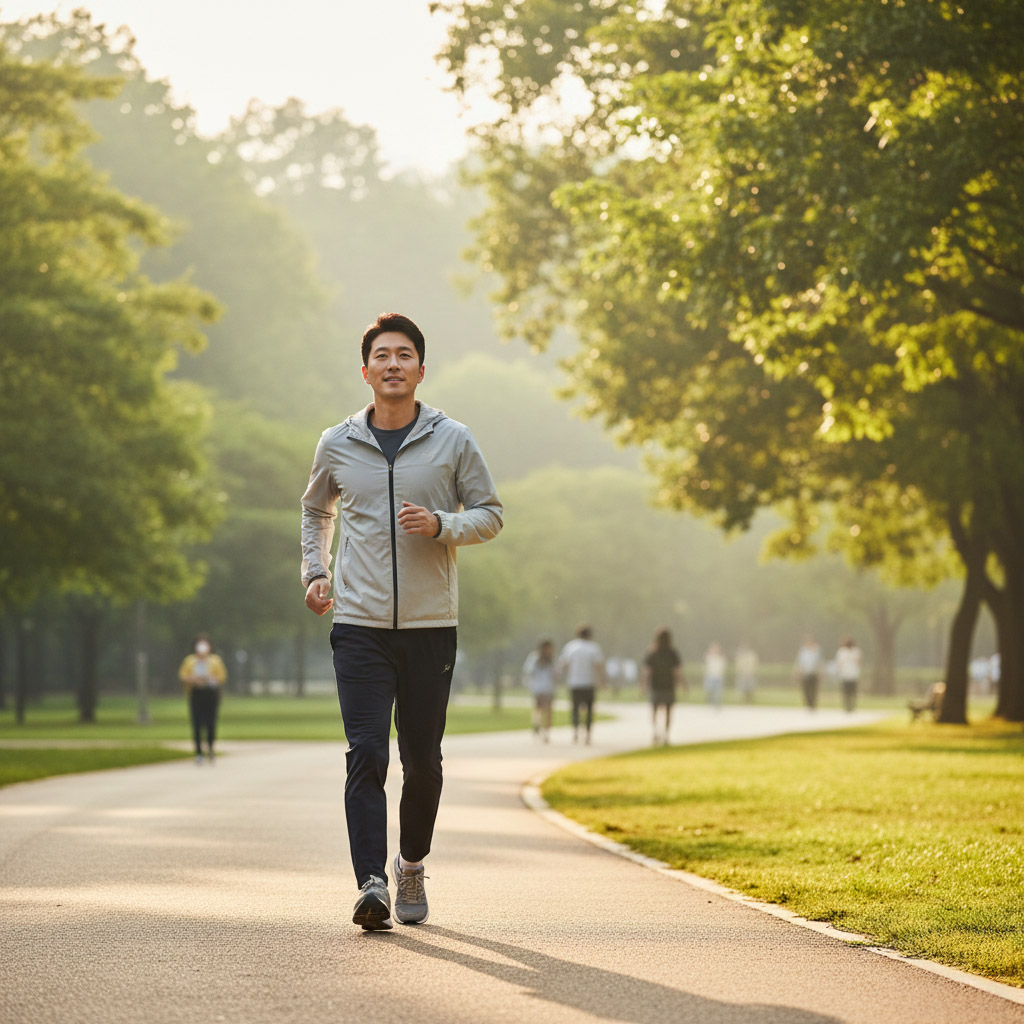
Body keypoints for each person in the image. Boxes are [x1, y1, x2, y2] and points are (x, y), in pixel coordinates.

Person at [300, 312, 503, 932]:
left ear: (420, 368)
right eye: (382, 355)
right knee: (366, 754)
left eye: (404, 354)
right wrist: (315, 571)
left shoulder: (454, 439)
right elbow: (315, 511)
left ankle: (411, 862)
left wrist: (443, 525)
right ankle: (371, 883)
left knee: (423, 760)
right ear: (365, 371)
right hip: (358, 624)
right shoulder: (337, 441)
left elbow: (491, 514)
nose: (393, 364)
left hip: (429, 625)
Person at [178, 634, 227, 764]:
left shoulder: (215, 661)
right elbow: (183, 676)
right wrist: (194, 680)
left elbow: (221, 678)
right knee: (197, 723)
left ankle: (210, 749)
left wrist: (210, 680)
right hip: (196, 694)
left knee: (211, 723)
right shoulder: (190, 661)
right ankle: (198, 752)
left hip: (210, 695)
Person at [557, 625, 605, 744]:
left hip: (574, 683)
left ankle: (576, 732)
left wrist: (564, 679)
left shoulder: (571, 647)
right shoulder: (593, 648)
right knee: (589, 710)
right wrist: (602, 681)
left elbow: (564, 664)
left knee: (575, 709)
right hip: (589, 682)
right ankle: (588, 734)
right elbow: (599, 666)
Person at [643, 628, 683, 745]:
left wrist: (644, 684)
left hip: (656, 685)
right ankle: (666, 734)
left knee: (654, 710)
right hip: (668, 685)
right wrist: (682, 683)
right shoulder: (672, 653)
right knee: (668, 711)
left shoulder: (653, 652)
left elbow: (647, 671)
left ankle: (656, 731)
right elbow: (677, 671)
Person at [522, 639, 556, 743]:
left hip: (549, 688)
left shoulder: (552, 660)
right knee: (539, 709)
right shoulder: (534, 658)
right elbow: (529, 672)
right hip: (538, 688)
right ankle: (536, 725)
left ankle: (546, 732)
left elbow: (556, 672)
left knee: (549, 710)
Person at [793, 635, 822, 710]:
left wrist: (820, 673)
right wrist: (798, 672)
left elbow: (819, 662)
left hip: (814, 673)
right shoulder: (802, 651)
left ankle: (813, 704)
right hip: (805, 673)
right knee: (806, 689)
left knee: (814, 689)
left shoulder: (816, 651)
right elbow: (799, 663)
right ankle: (808, 704)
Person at [834, 636, 863, 713]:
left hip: (853, 675)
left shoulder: (856, 651)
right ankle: (846, 706)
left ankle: (852, 706)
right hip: (844, 675)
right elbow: (839, 663)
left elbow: (859, 662)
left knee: (853, 692)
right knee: (845, 692)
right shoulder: (841, 652)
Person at [703, 642, 727, 711]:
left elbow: (723, 666)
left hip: (718, 676)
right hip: (710, 676)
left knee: (718, 692)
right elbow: (706, 665)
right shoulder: (709, 656)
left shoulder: (721, 657)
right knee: (709, 689)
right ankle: (710, 702)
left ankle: (717, 704)